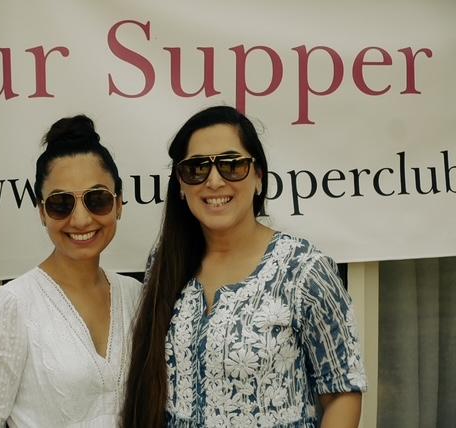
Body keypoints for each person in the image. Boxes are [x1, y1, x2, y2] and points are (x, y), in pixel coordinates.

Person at [122, 106, 367, 427]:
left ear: (258, 177)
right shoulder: (165, 263)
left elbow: (342, 391)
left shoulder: (303, 269)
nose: (213, 181)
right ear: (181, 185)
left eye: (232, 165)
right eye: (196, 168)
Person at [0, 115, 141, 427]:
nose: (81, 219)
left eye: (97, 199)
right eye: (61, 203)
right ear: (42, 211)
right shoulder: (10, 306)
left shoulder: (136, 297)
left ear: (119, 203)